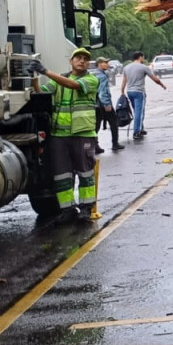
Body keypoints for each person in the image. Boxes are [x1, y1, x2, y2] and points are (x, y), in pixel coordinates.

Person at [31, 48, 100, 220]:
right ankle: (67, 209)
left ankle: (86, 207)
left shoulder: (91, 79)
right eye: (78, 57)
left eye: (85, 59)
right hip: (59, 135)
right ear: (71, 61)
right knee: (61, 175)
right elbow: (42, 93)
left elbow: (73, 85)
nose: (82, 61)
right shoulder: (60, 80)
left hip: (83, 133)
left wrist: (45, 71)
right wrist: (34, 78)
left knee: (85, 172)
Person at [120, 51, 167, 140]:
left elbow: (124, 81)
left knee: (137, 111)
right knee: (139, 112)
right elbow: (154, 79)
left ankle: (140, 128)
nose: (143, 59)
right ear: (140, 57)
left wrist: (122, 92)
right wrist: (162, 85)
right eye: (143, 57)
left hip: (129, 92)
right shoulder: (143, 67)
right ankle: (136, 132)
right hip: (139, 92)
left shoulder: (126, 68)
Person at [92, 57, 124, 153]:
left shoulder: (93, 74)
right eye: (105, 62)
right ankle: (115, 143)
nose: (107, 64)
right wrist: (107, 104)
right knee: (114, 122)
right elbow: (102, 91)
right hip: (103, 104)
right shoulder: (101, 76)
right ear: (99, 64)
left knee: (96, 126)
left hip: (95, 104)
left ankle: (95, 145)